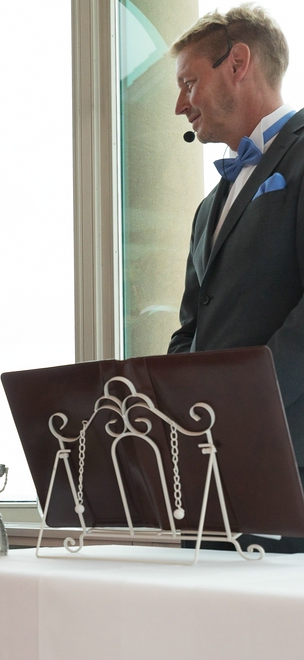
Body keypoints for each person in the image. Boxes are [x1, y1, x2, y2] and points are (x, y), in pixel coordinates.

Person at [170, 5, 304, 551]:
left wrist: (244, 403)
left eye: (188, 83)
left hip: (287, 462)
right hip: (206, 478)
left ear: (239, 63)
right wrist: (173, 417)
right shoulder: (209, 206)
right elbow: (189, 329)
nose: (180, 105)